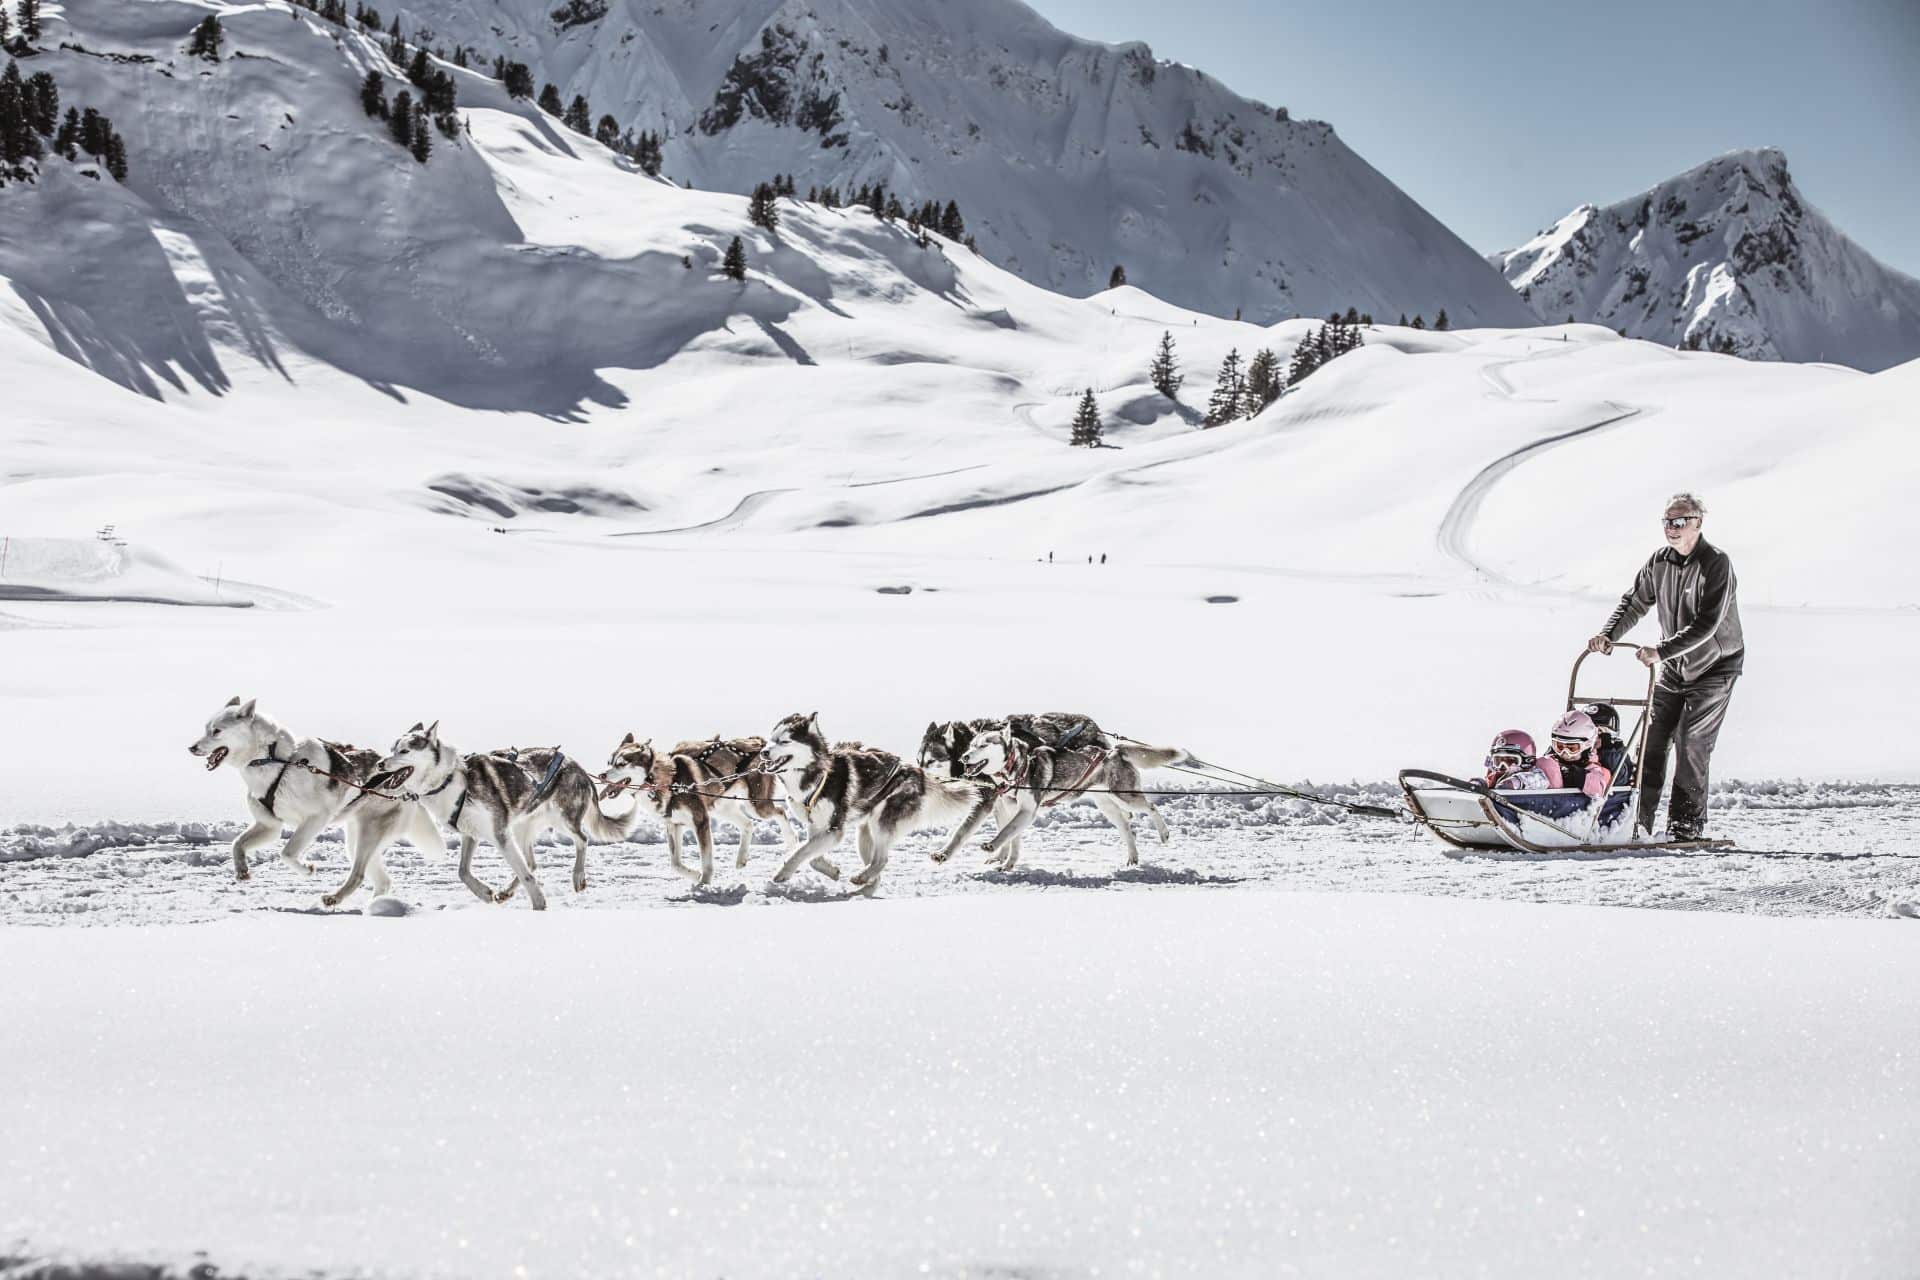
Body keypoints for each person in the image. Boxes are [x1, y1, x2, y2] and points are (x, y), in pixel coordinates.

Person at [1587, 492, 1743, 839]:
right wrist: (1608, 635)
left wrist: (1661, 650)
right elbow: (1635, 601)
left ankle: (1685, 827)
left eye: (1679, 521)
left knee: (1691, 742)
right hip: (1675, 667)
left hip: (1714, 667)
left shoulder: (1716, 563)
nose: (1671, 528)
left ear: (1697, 524)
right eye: (1667, 522)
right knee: (1652, 742)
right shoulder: (1659, 561)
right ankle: (1635, 823)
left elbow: (1708, 624)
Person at [1545, 710, 1613, 800]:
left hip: (1571, 808)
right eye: (1559, 747)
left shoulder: (1591, 767)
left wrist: (1576, 776)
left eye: (1572, 748)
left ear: (1587, 746)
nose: (1565, 753)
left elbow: (1598, 788)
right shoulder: (1551, 760)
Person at [1483, 729, 1558, 791]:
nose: (1503, 766)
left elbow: (1539, 780)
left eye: (1510, 761)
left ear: (1527, 761)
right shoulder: (1496, 775)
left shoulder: (1534, 773)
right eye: (1498, 761)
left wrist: (1516, 782)